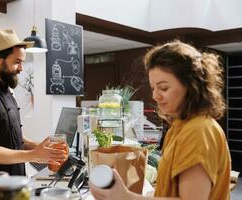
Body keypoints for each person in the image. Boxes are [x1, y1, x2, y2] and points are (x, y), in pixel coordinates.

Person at [89, 40, 231, 200]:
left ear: (191, 86)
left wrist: (126, 197)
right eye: (153, 88)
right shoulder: (179, 128)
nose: (155, 95)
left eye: (163, 88)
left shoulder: (198, 131)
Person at [0, 29, 67, 175]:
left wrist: (44, 150)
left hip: (15, 180)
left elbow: (15, 140)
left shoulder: (8, 91)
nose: (21, 69)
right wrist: (34, 155)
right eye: (17, 62)